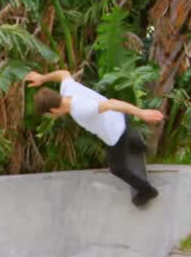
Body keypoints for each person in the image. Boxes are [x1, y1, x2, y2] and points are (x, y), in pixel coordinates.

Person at [25, 69, 163, 206]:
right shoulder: (67, 89)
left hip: (115, 132)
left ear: (53, 110)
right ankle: (138, 145)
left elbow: (112, 103)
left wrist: (142, 113)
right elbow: (63, 73)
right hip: (121, 118)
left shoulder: (80, 109)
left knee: (118, 169)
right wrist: (42, 78)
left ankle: (147, 191)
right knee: (127, 135)